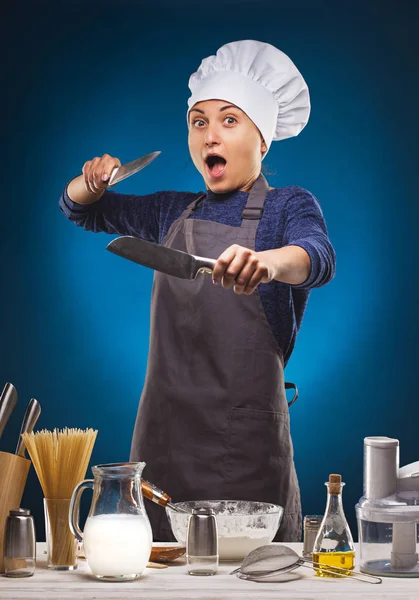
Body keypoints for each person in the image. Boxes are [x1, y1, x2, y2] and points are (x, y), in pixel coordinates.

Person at [59, 40, 336, 542]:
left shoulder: (288, 206)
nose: (211, 134)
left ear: (263, 138)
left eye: (229, 120)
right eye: (199, 121)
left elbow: (316, 258)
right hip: (163, 439)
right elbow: (82, 211)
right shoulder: (172, 211)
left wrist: (266, 264)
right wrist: (91, 181)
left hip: (243, 449)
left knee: (247, 575)